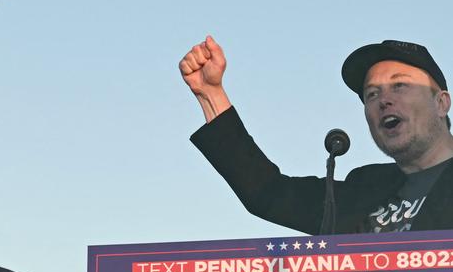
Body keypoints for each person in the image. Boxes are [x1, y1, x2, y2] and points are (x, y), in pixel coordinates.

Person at [180, 37, 453, 234]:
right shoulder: (365, 187)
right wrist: (210, 93)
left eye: (400, 85)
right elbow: (269, 193)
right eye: (372, 93)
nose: (384, 100)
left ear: (441, 103)